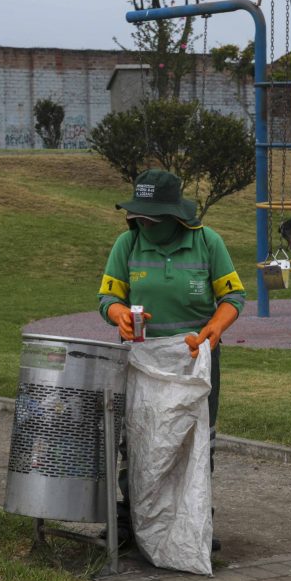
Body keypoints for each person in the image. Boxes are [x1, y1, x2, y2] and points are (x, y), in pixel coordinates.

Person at [97, 168, 246, 550]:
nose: (141, 222)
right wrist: (119, 317)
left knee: (194, 439)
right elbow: (108, 299)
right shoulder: (127, 245)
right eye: (138, 215)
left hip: (195, 360)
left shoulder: (207, 242)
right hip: (142, 361)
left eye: (150, 217)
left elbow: (233, 297)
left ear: (172, 216)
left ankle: (195, 521)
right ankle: (134, 517)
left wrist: (214, 329)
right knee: (139, 440)